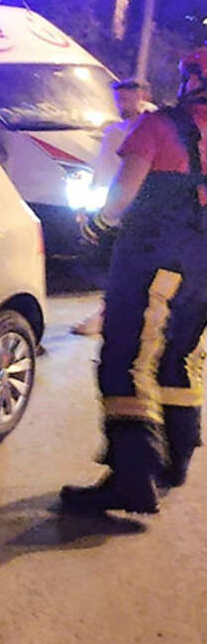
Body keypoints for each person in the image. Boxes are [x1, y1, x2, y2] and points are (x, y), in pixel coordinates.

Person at [59, 47, 207, 514]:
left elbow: (122, 195)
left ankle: (132, 478)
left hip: (153, 263)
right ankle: (173, 464)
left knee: (125, 362)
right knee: (179, 359)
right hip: (202, 271)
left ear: (192, 79)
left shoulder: (158, 126)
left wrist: (97, 225)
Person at [72, 78, 160, 336]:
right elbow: (102, 170)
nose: (121, 105)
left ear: (143, 96)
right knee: (114, 264)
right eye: (118, 100)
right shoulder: (114, 132)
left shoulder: (157, 127)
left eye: (126, 99)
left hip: (144, 208)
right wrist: (89, 206)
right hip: (116, 208)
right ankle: (108, 314)